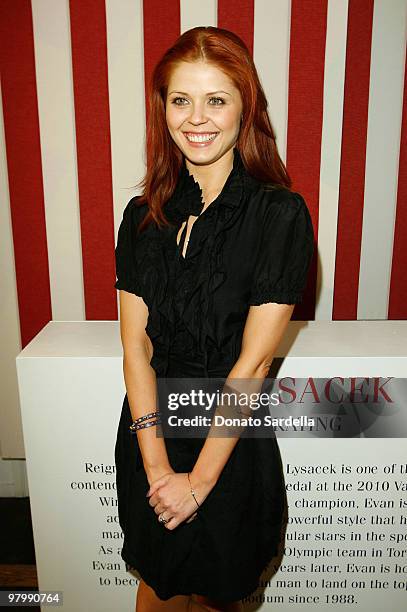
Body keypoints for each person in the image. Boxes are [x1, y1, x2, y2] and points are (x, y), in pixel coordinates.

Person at [114, 26, 314, 612]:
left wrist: (197, 483)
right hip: (150, 438)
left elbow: (251, 365)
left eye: (215, 100)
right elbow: (136, 349)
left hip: (226, 449)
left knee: (219, 598)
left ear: (244, 109)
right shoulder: (141, 216)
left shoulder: (278, 214)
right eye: (181, 100)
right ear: (163, 109)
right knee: (155, 593)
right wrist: (156, 467)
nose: (196, 118)